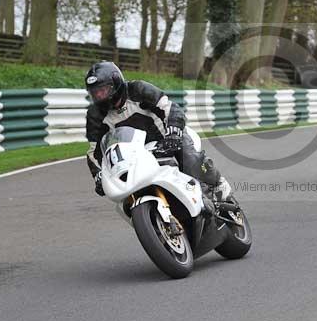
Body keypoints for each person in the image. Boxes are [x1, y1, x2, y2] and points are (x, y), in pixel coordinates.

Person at [84, 61, 231, 213]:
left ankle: (217, 183)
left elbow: (170, 108)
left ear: (116, 83)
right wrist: (98, 174)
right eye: (95, 93)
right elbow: (94, 151)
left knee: (190, 160)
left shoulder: (138, 90)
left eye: (103, 90)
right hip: (136, 155)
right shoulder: (95, 115)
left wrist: (173, 132)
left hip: (167, 140)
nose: (99, 96)